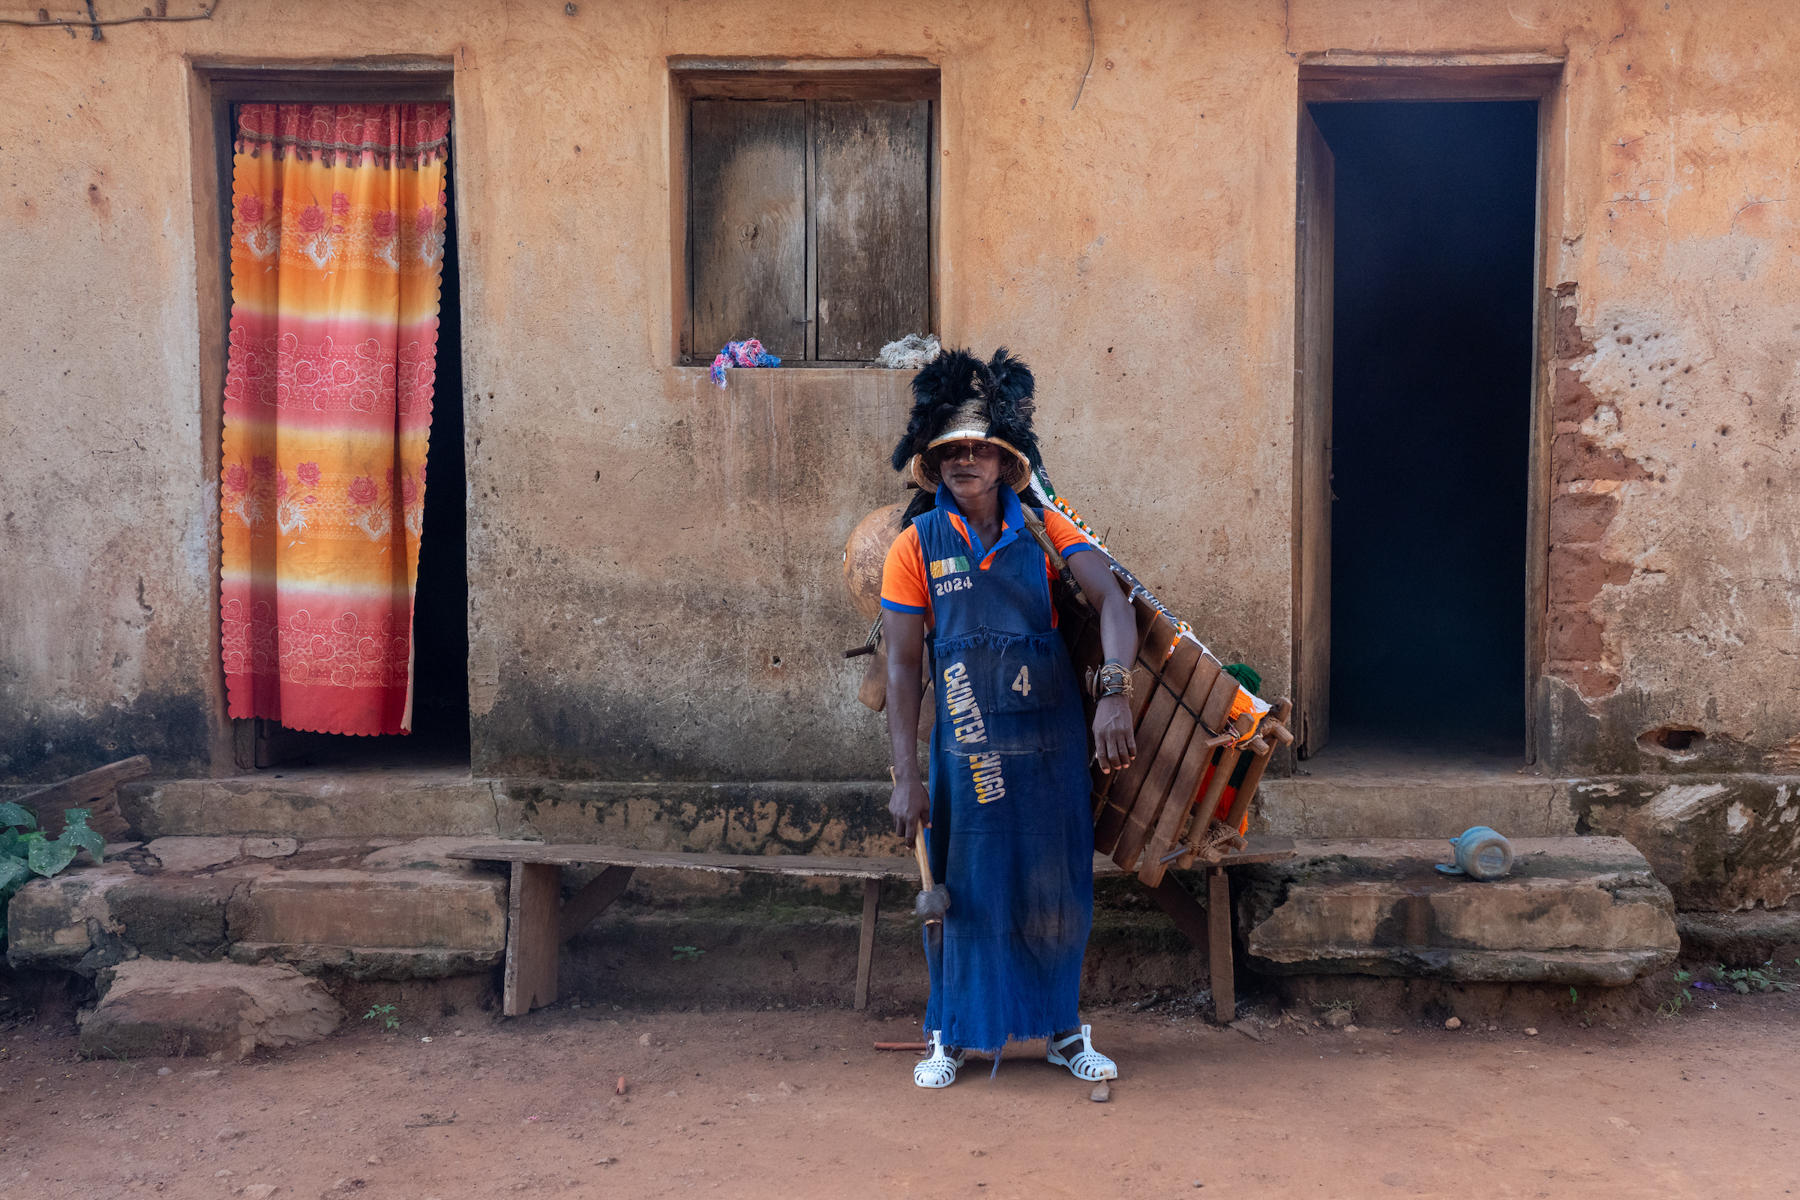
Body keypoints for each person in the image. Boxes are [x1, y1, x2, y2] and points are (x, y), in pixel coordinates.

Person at [879, 348, 1140, 1088]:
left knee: (1057, 891)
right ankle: (951, 1035)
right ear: (935, 465)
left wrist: (1113, 689)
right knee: (963, 891)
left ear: (1003, 460)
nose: (966, 458)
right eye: (951, 449)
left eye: (979, 447)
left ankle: (1062, 1030)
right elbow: (902, 667)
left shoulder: (1047, 527)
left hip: (1053, 745)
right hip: (967, 753)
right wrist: (907, 776)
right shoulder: (915, 547)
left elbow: (1114, 601)